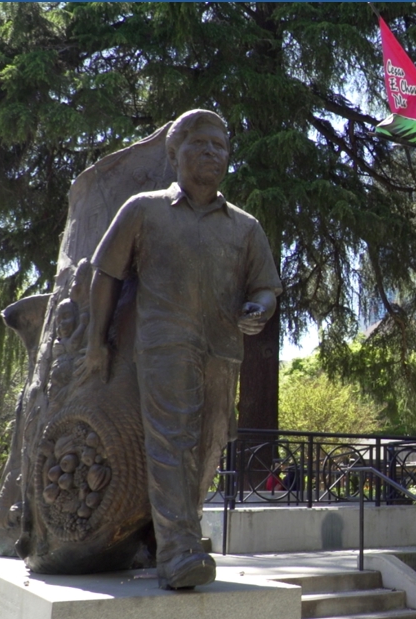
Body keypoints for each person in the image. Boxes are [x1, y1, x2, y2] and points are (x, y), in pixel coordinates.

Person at [83, 109, 282, 590]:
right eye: (202, 144)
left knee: (209, 447)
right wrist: (95, 342)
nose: (213, 153)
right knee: (170, 442)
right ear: (175, 153)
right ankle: (178, 551)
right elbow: (105, 274)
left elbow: (266, 287)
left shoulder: (245, 227)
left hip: (223, 349)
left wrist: (259, 307)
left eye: (220, 146)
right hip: (164, 343)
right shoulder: (143, 210)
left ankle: (177, 535)